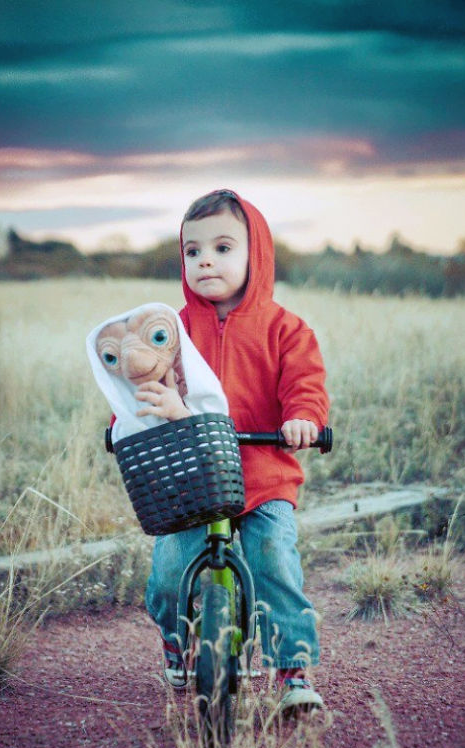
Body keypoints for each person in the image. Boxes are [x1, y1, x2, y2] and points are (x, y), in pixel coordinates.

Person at [140, 189, 330, 714]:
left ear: (257, 255)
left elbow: (306, 384)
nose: (205, 260)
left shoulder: (284, 329)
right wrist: (125, 422)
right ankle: (175, 635)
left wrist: (302, 419)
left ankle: (293, 668)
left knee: (275, 560)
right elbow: (141, 382)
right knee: (168, 570)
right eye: (192, 250)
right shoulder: (170, 330)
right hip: (191, 474)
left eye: (223, 248)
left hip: (264, 471)